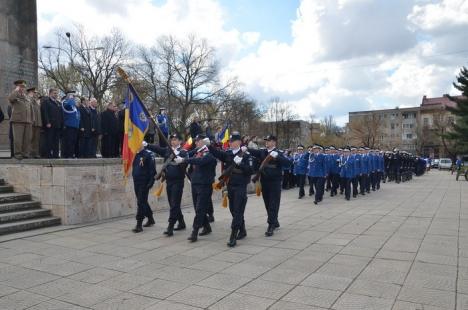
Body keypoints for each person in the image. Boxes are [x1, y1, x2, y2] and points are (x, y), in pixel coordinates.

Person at [209, 132, 254, 247]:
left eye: (232, 141)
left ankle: (233, 235)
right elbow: (217, 153)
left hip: (240, 186)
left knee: (238, 210)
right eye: (230, 141)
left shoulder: (246, 155)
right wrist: (209, 145)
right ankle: (242, 230)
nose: (230, 143)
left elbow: (251, 170)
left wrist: (241, 164)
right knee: (233, 210)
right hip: (230, 185)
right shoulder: (228, 153)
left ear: (239, 142)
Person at [174, 134, 217, 242]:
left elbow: (200, 161)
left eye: (198, 141)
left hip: (204, 185)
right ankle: (207, 226)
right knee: (198, 208)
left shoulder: (208, 153)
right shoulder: (197, 152)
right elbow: (190, 157)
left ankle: (195, 232)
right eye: (196, 141)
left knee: (199, 209)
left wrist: (184, 160)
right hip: (195, 184)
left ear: (203, 142)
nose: (196, 143)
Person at [246, 135, 291, 237]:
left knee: (273, 204)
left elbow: (288, 163)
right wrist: (244, 147)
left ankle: (271, 225)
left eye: (269, 141)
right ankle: (274, 221)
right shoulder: (263, 152)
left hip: (275, 182)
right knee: (267, 203)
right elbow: (253, 152)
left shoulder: (279, 153)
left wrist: (277, 156)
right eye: (266, 141)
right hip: (265, 181)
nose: (266, 142)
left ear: (274, 142)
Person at [145, 133, 188, 236]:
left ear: (180, 141)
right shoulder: (168, 150)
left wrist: (180, 159)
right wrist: (147, 145)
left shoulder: (183, 152)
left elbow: (186, 164)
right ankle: (181, 222)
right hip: (169, 181)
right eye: (172, 140)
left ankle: (170, 226)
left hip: (178, 182)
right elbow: (157, 149)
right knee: (173, 203)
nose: (173, 141)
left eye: (175, 139)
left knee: (174, 204)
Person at [132, 143, 156, 233]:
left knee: (140, 202)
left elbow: (152, 170)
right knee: (142, 201)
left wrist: (151, 182)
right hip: (136, 181)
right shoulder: (136, 154)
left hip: (144, 182)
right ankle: (150, 218)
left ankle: (139, 224)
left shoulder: (148, 154)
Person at [8, 80, 32, 159]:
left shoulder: (26, 97)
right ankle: (18, 154)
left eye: (24, 87)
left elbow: (29, 108)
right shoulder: (15, 94)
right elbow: (11, 98)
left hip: (27, 121)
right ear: (17, 87)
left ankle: (25, 153)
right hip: (18, 120)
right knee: (18, 139)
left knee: (27, 139)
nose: (23, 88)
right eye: (21, 86)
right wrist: (16, 90)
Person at [41, 88, 63, 158]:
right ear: (50, 93)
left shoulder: (59, 103)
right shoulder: (46, 102)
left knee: (56, 141)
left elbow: (61, 114)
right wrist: (47, 122)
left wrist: (62, 124)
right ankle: (48, 154)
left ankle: (55, 154)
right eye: (54, 93)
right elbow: (45, 113)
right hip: (50, 125)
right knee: (49, 140)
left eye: (57, 93)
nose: (56, 95)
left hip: (57, 125)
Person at [62, 90, 80, 158]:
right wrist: (70, 98)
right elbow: (67, 106)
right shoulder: (65, 102)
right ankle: (68, 155)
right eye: (73, 95)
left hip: (75, 126)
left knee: (73, 141)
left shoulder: (74, 105)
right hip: (69, 125)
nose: (74, 97)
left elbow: (77, 115)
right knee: (69, 141)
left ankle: (71, 154)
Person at [28, 88, 42, 158]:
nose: (36, 94)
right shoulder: (29, 100)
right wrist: (30, 97)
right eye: (34, 92)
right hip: (31, 123)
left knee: (36, 140)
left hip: (38, 123)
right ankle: (30, 153)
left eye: (36, 93)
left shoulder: (37, 102)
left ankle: (36, 153)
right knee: (30, 138)